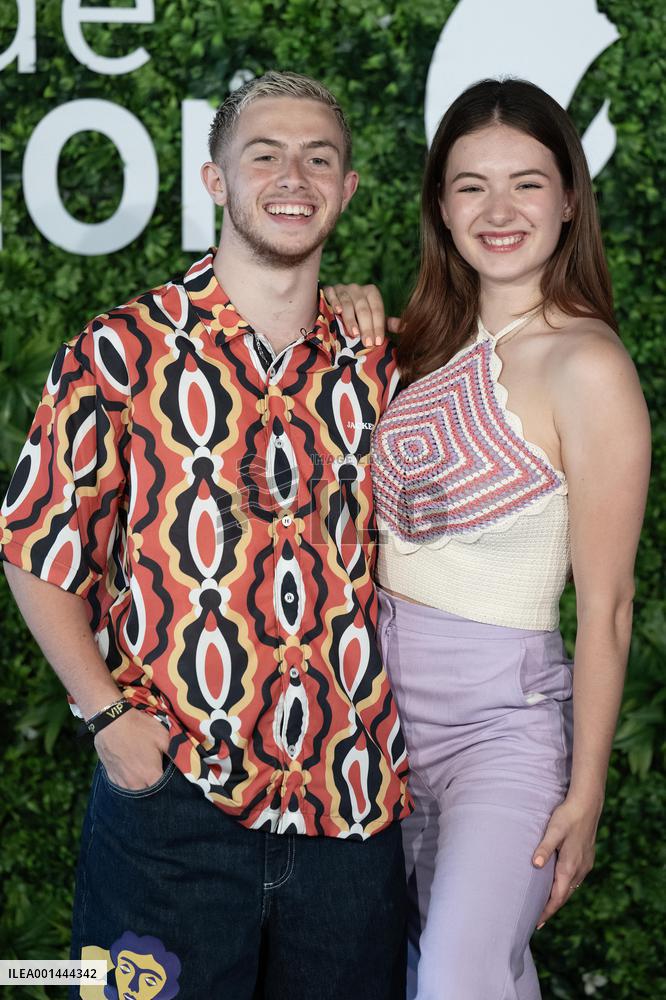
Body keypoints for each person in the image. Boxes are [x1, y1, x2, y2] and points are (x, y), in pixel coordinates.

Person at [0, 71, 411, 1000]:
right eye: (263, 155)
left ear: (347, 189)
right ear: (216, 181)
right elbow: (35, 548)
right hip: (172, 814)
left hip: (351, 813)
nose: (292, 176)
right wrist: (108, 722)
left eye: (319, 158)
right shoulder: (121, 350)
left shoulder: (381, 361)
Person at [326, 78, 651, 999]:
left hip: (499, 731)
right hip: (367, 722)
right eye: (471, 185)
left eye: (527, 183)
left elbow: (611, 605)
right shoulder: (421, 344)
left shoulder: (587, 365)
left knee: (461, 977)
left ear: (569, 200)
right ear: (440, 204)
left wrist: (584, 796)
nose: (499, 210)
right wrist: (351, 306)